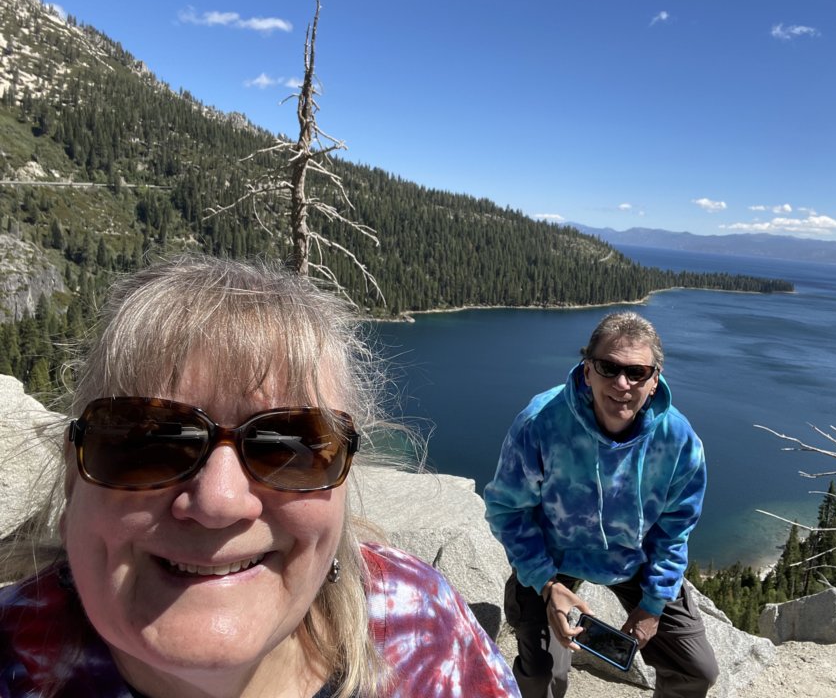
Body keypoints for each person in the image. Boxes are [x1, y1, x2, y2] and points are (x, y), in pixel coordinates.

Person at [0, 255, 520, 698]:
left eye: (289, 447)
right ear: (73, 478)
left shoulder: (422, 624)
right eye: (148, 442)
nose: (219, 502)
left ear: (342, 483)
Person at [484, 311, 719, 698]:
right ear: (587, 369)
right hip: (553, 555)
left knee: (695, 670)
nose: (622, 383)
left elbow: (676, 527)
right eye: (609, 367)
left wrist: (653, 605)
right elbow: (508, 509)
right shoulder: (541, 423)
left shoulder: (677, 440)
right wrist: (546, 584)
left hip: (635, 558)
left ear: (655, 380)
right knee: (539, 672)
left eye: (637, 372)